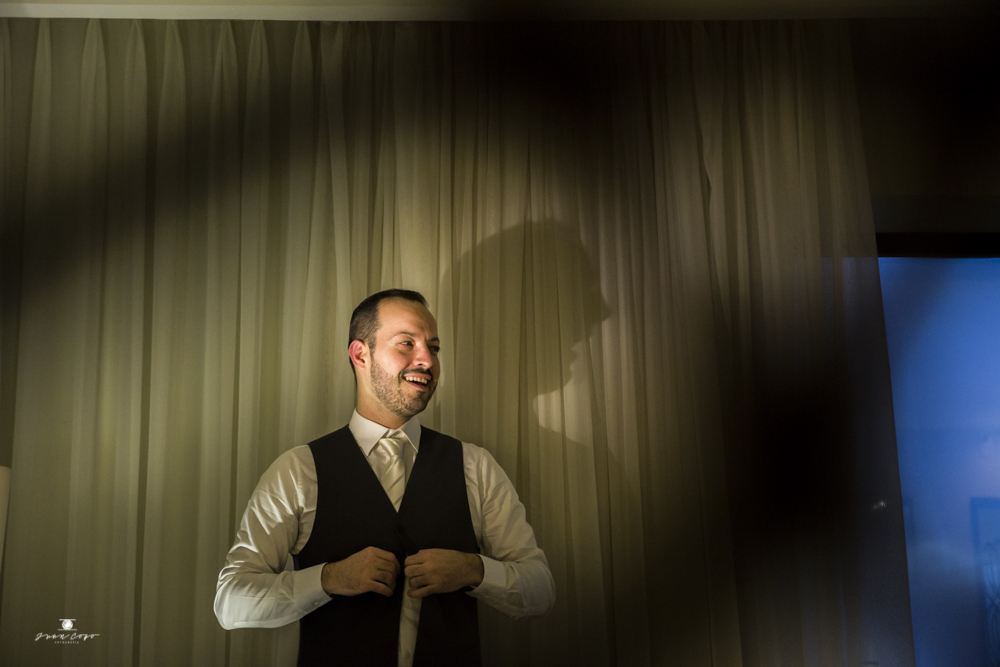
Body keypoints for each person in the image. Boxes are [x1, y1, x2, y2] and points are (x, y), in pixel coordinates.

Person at [214, 289, 555, 667]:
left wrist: (473, 570)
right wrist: (328, 579)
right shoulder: (298, 471)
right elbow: (231, 600)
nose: (427, 360)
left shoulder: (476, 466)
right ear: (361, 354)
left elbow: (540, 591)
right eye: (407, 343)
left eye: (434, 348)